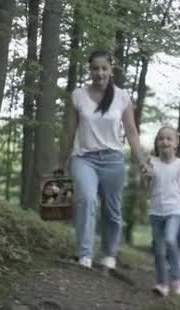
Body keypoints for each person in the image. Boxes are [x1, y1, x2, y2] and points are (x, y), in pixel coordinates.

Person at [59, 50, 149, 270]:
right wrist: (60, 163)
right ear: (89, 70)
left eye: (103, 68)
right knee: (87, 199)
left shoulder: (122, 97)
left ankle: (109, 253)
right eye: (94, 68)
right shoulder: (78, 95)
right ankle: (85, 254)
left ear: (111, 70)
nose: (99, 73)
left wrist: (142, 162)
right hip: (84, 159)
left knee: (112, 210)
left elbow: (132, 133)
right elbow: (69, 133)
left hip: (113, 160)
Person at [145, 126, 180, 297]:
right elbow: (145, 186)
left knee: (170, 240)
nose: (165, 142)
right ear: (157, 142)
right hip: (155, 212)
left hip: (174, 210)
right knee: (159, 250)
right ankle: (162, 284)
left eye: (169, 139)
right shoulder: (152, 163)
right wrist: (145, 176)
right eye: (161, 138)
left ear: (176, 143)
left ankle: (177, 281)